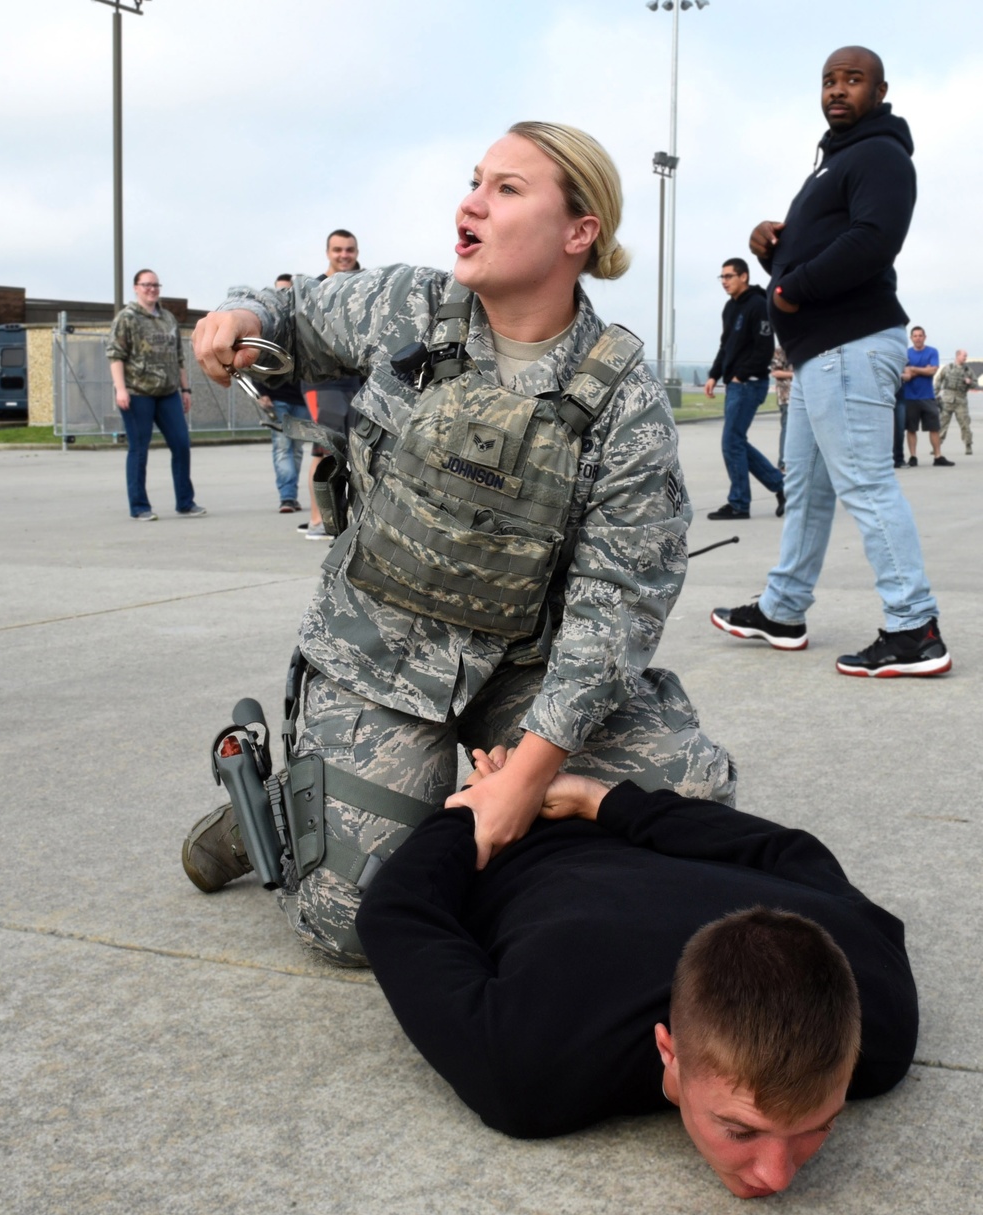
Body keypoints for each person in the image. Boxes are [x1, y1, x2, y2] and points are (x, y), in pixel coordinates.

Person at [184, 121, 735, 965]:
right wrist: (242, 314)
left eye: (507, 189)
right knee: (355, 926)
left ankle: (445, 815)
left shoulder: (622, 395)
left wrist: (526, 774)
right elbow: (289, 312)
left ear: (578, 232)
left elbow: (618, 603)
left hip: (528, 680)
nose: (470, 203)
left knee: (691, 797)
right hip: (381, 659)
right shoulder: (412, 305)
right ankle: (285, 803)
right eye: (476, 181)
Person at [355, 755, 918, 1199]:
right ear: (668, 1051)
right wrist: (479, 810)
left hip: (588, 822)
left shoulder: (880, 1019)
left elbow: (785, 850)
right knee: (330, 919)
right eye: (741, 1130)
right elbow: (393, 912)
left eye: (820, 1127)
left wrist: (576, 799)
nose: (778, 1176)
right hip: (515, 856)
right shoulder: (530, 1063)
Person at [710, 48, 951, 678]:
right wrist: (772, 249)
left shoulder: (880, 154)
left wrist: (790, 290)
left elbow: (873, 240)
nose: (838, 90)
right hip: (822, 353)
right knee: (808, 492)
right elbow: (818, 248)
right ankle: (783, 610)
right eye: (829, 80)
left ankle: (914, 628)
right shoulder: (836, 161)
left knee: (867, 485)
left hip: (851, 344)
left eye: (853, 80)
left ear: (880, 90)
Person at [106, 269, 206, 520]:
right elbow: (115, 355)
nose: (152, 289)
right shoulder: (126, 318)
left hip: (168, 393)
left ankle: (185, 502)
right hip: (138, 393)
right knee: (139, 450)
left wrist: (185, 389)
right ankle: (139, 506)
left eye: (155, 285)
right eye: (146, 285)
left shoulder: (168, 318)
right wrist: (121, 389)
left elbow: (179, 357)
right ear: (136, 288)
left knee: (181, 444)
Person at [296, 231, 363, 540]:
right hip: (322, 382)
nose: (344, 255)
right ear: (328, 252)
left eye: (349, 249)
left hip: (358, 378)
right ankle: (317, 520)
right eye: (338, 250)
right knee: (325, 452)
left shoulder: (367, 285)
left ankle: (350, 518)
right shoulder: (315, 289)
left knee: (359, 451)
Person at [704, 259, 784, 520]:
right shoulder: (730, 308)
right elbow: (725, 346)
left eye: (729, 276)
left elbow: (764, 350)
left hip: (749, 384)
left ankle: (739, 504)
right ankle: (783, 487)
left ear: (744, 277)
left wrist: (739, 375)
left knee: (731, 442)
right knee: (735, 442)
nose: (725, 281)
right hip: (735, 385)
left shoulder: (759, 306)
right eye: (722, 276)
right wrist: (714, 375)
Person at [255, 274, 311, 512]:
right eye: (278, 291)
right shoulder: (270, 324)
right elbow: (256, 358)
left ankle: (291, 495)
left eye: (287, 291)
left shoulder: (304, 323)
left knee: (296, 449)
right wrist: (261, 392)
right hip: (276, 396)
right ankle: (287, 497)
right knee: (282, 447)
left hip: (300, 397)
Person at [903, 326, 951, 467]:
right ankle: (913, 457)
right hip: (910, 397)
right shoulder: (906, 354)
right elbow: (906, 376)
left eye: (920, 335)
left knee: (934, 427)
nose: (918, 338)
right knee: (911, 429)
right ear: (911, 338)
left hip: (928, 396)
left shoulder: (932, 351)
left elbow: (932, 371)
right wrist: (924, 369)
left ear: (925, 337)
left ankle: (937, 456)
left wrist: (913, 369)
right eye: (915, 336)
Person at [936, 348, 974, 455]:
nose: (965, 358)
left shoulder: (968, 371)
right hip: (947, 399)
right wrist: (934, 394)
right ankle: (937, 445)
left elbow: (975, 384)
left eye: (966, 356)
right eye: (964, 356)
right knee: (943, 423)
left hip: (961, 400)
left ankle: (968, 445)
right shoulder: (948, 368)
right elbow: (939, 380)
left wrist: (969, 382)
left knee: (965, 424)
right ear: (958, 356)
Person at [770, 344, 793, 471]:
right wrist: (794, 374)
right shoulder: (780, 350)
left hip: (802, 394)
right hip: (786, 396)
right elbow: (776, 372)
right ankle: (783, 462)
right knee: (787, 428)